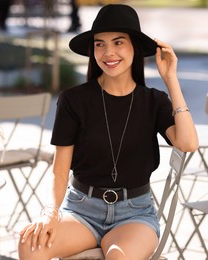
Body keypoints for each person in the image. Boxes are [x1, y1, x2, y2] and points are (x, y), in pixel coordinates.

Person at [18, 4, 198, 260]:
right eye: (99, 44)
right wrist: (49, 212)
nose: (108, 52)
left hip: (134, 213)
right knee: (30, 245)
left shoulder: (153, 101)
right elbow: (59, 172)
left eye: (118, 42)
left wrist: (171, 79)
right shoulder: (73, 100)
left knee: (118, 256)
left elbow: (188, 143)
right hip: (81, 210)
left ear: (135, 47)